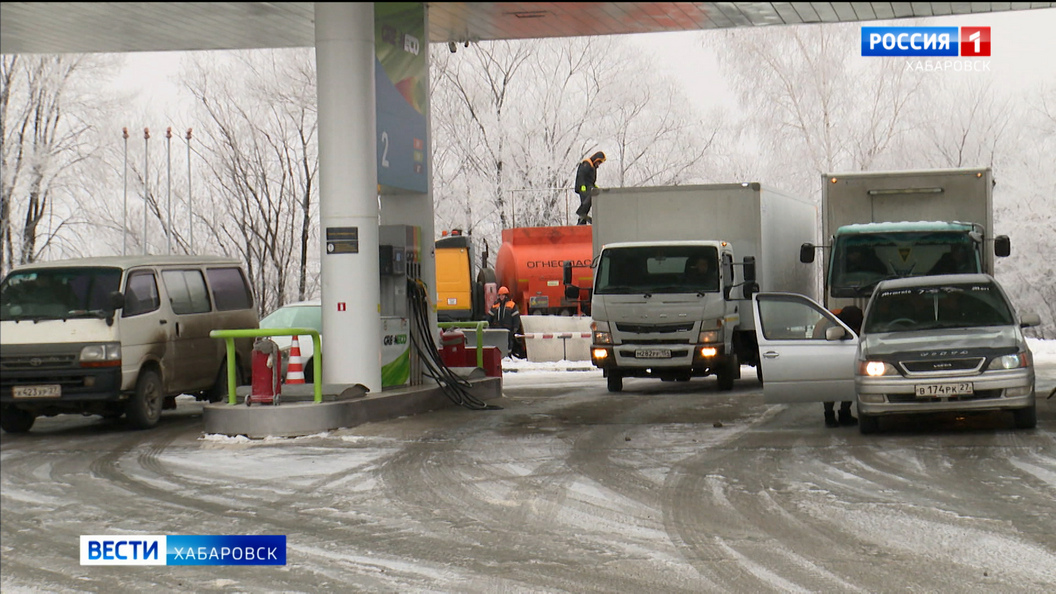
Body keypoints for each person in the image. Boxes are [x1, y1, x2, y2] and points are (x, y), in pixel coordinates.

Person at [823, 305, 864, 427]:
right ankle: (829, 415)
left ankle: (845, 413)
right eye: (855, 327)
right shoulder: (830, 324)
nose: (856, 329)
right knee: (830, 386)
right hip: (829, 357)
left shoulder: (857, 321)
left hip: (847, 357)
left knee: (849, 383)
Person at [487, 286, 525, 359]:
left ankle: (508, 357)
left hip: (508, 329)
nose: (501, 297)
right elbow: (490, 316)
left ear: (506, 295)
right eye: (500, 295)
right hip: (497, 329)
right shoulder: (495, 305)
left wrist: (515, 327)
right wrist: (488, 325)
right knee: (497, 343)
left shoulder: (512, 305)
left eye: (503, 295)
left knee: (509, 343)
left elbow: (516, 317)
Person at [574, 151, 605, 225]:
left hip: (589, 186)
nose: (599, 164)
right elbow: (581, 174)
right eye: (599, 162)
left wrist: (594, 186)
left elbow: (590, 179)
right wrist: (582, 185)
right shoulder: (587, 164)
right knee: (588, 198)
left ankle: (582, 220)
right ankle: (581, 212)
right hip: (584, 186)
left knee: (589, 199)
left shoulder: (593, 167)